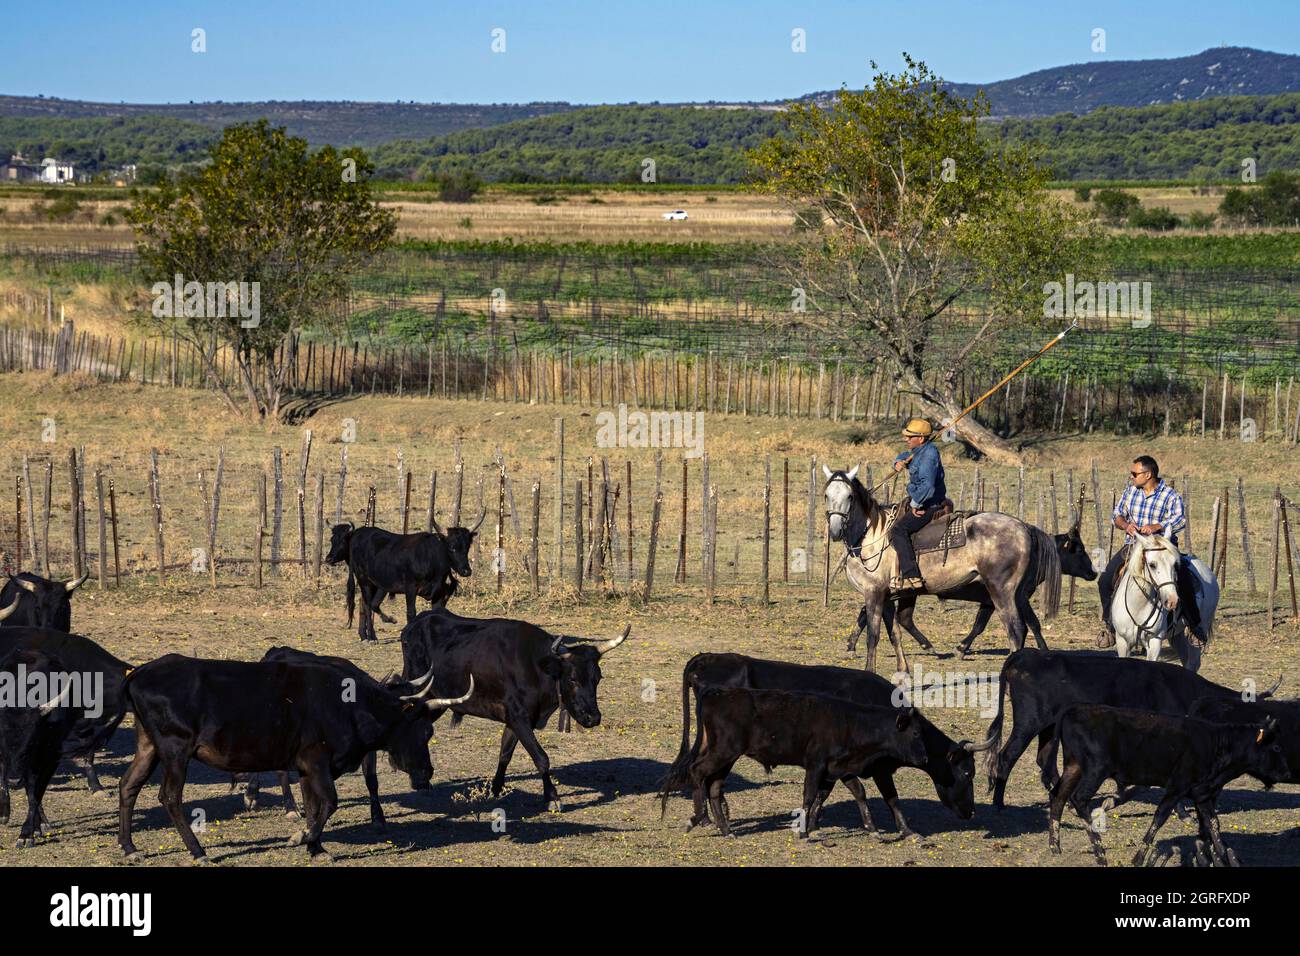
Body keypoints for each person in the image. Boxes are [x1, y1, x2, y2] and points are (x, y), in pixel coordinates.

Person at [1096, 454, 1205, 649]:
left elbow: (1181, 520)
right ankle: (1109, 626)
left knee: (1184, 580)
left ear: (1148, 474)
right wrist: (1126, 525)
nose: (1131, 477)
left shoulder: (1170, 495)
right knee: (1104, 581)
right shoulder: (1131, 492)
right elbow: (1116, 515)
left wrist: (1157, 526)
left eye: (1134, 473)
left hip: (1162, 547)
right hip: (1133, 546)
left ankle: (1194, 626)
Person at [888, 418, 948, 592]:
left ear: (920, 439)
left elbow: (927, 487)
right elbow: (904, 455)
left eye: (910, 436)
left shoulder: (929, 455)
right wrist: (897, 462)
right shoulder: (917, 450)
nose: (906, 439)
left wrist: (916, 504)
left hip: (930, 504)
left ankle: (911, 575)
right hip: (922, 500)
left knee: (898, 530)